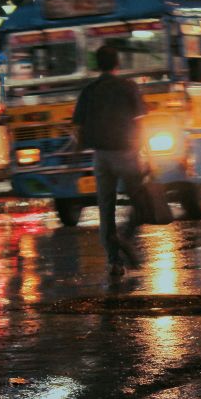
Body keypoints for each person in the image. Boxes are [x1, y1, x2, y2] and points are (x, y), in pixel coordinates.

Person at [72, 45, 147, 276]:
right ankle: (124, 236)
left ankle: (114, 261)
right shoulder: (128, 87)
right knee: (141, 202)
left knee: (106, 207)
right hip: (126, 153)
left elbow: (77, 127)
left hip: (100, 156)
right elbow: (141, 122)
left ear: (98, 65)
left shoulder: (89, 90)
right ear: (117, 64)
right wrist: (145, 152)